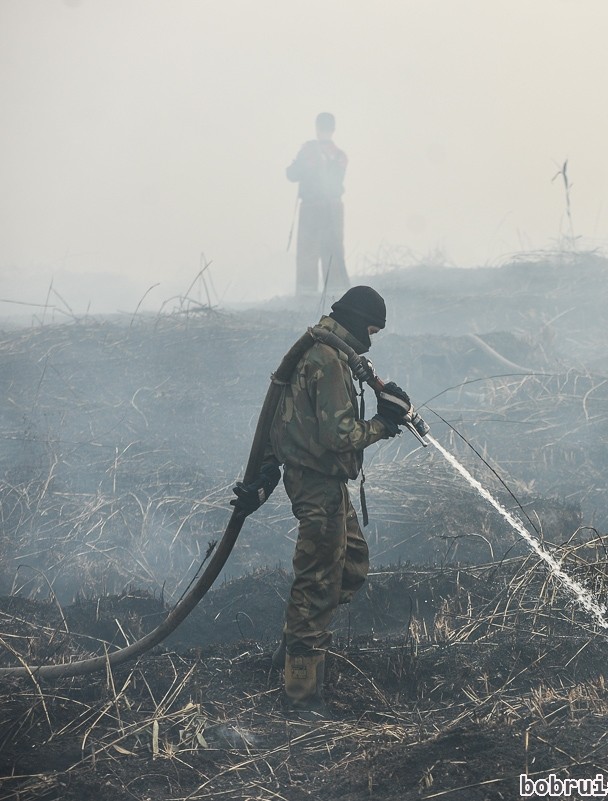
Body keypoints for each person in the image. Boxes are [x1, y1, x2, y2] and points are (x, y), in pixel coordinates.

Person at [232, 286, 414, 718]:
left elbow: (285, 417)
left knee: (350, 565)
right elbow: (339, 437)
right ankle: (300, 697)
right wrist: (384, 425)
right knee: (316, 588)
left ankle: (293, 650)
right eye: (372, 329)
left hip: (321, 483)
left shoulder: (319, 349)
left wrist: (269, 470)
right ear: (358, 321)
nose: (373, 338)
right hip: (317, 485)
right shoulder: (328, 360)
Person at [287, 112, 351, 295]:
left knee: (308, 252)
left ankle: (305, 298)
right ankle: (336, 297)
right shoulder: (341, 156)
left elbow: (291, 174)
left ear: (317, 128)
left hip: (311, 208)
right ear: (333, 129)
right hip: (334, 209)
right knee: (333, 252)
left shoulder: (307, 152)